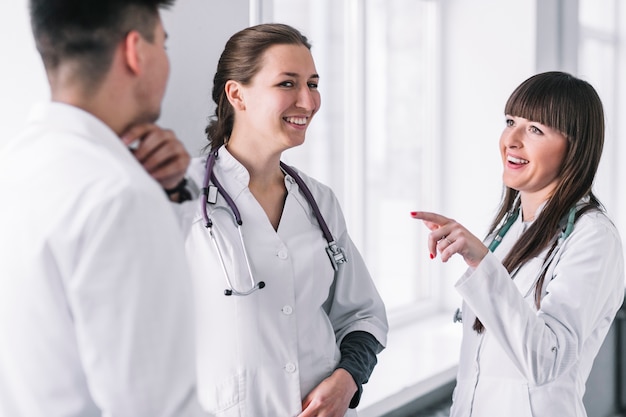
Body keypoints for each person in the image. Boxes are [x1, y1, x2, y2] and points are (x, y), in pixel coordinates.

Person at [0, 1, 206, 416]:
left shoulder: (17, 167)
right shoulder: (119, 196)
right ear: (136, 51)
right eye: (162, 45)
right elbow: (158, 409)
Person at [171, 23, 388, 417]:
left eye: (313, 83)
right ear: (237, 94)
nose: (307, 100)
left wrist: (348, 380)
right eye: (287, 84)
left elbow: (363, 314)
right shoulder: (179, 198)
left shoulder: (318, 200)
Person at [411, 71, 624, 416]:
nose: (512, 138)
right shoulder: (508, 229)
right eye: (511, 121)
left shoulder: (593, 237)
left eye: (535, 129)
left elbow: (546, 362)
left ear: (576, 146)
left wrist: (483, 264)